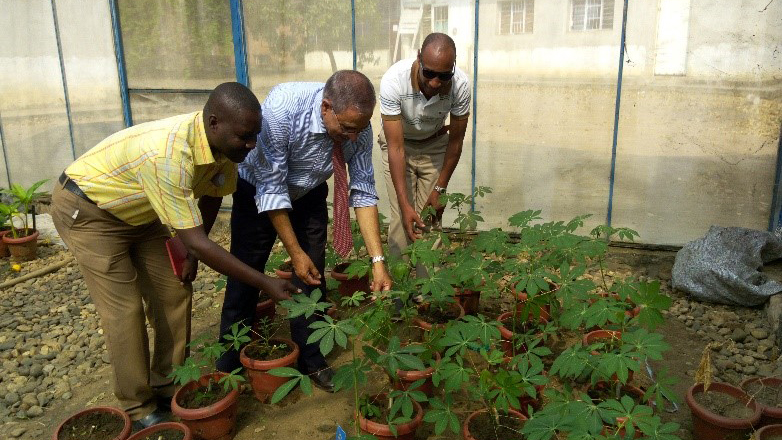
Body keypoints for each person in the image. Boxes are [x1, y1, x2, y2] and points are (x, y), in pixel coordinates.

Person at [50, 82, 298, 430]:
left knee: (174, 289)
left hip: (140, 212)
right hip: (89, 211)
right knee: (125, 309)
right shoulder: (169, 154)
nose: (252, 144)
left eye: (256, 135)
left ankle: (167, 382)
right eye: (245, 136)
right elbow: (195, 241)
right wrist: (263, 282)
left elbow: (212, 195)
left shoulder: (224, 150)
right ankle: (137, 406)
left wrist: (191, 253)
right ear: (215, 123)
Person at [216, 71, 392, 392]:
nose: (355, 137)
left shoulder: (358, 127)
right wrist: (294, 253)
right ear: (326, 107)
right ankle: (227, 366)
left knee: (312, 275)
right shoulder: (283, 109)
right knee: (246, 271)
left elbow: (363, 190)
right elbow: (271, 187)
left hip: (309, 190)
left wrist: (377, 260)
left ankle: (311, 360)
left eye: (361, 128)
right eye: (348, 128)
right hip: (258, 188)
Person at [379, 33, 471, 262]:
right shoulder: (394, 80)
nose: (435, 83)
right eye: (429, 73)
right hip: (400, 147)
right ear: (419, 58)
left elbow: (456, 141)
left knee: (430, 218)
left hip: (435, 146)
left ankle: (427, 291)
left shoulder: (460, 86)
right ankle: (399, 290)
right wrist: (404, 201)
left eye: (444, 76)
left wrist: (440, 189)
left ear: (454, 65)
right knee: (402, 217)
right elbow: (396, 148)